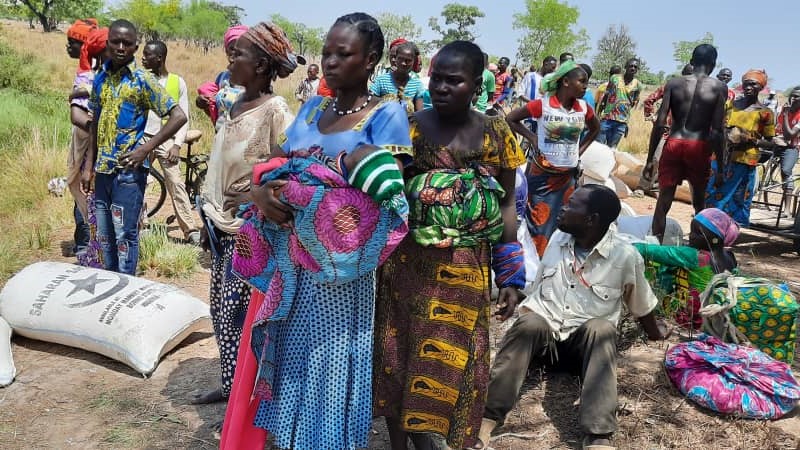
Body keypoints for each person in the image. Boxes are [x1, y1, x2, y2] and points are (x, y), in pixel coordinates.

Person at [246, 13, 412, 449]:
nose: (331, 62)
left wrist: (315, 193)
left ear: (371, 59)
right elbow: (275, 162)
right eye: (327, 53)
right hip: (291, 262)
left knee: (329, 357)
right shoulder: (313, 106)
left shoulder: (386, 112)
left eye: (344, 53)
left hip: (339, 269)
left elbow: (388, 192)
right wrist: (261, 194)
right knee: (291, 350)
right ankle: (292, 437)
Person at [373, 40, 526, 450]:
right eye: (436, 77)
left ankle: (434, 437)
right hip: (408, 264)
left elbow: (508, 201)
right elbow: (388, 191)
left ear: (477, 85)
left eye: (453, 81)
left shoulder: (496, 132)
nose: (440, 87)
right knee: (399, 354)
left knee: (454, 357)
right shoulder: (410, 127)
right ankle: (399, 443)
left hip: (466, 265)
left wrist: (510, 272)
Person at [476, 185, 668, 450]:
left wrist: (656, 332)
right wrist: (518, 297)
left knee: (601, 329)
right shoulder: (557, 239)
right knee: (530, 322)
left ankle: (598, 435)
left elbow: (642, 306)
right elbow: (540, 288)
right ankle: (487, 418)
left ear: (591, 220)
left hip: (584, 354)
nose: (563, 209)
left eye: (571, 205)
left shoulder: (625, 257)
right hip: (544, 347)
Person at [195, 22, 298, 408]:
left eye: (239, 54)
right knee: (220, 314)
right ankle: (230, 387)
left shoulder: (276, 111)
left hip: (251, 233)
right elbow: (218, 165)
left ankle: (250, 401)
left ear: (259, 66)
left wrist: (259, 199)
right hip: (220, 225)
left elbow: (291, 168)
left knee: (241, 319)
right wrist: (207, 213)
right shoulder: (233, 105)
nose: (231, 59)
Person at [82, 19, 187, 275]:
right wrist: (88, 166)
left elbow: (178, 116)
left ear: (135, 47)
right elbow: (95, 122)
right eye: (115, 42)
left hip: (128, 174)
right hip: (103, 172)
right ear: (107, 44)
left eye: (127, 44)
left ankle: (125, 286)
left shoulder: (143, 80)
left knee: (125, 237)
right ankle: (109, 285)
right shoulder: (101, 79)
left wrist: (145, 148)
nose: (120, 47)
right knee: (104, 236)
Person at [505, 60, 600, 257]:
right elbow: (511, 118)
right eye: (582, 81)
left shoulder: (584, 108)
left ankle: (556, 263)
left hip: (568, 178)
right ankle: (533, 264)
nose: (585, 86)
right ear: (566, 81)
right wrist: (532, 138)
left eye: (587, 82)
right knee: (537, 222)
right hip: (542, 177)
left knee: (563, 221)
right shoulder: (543, 105)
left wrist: (578, 152)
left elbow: (595, 129)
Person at [647, 46, 727, 242]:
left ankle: (654, 248)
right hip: (698, 145)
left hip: (674, 143)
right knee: (699, 202)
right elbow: (717, 131)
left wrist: (650, 160)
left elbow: (659, 123)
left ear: (691, 60)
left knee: (663, 200)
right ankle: (697, 248)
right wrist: (722, 167)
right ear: (714, 64)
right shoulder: (718, 87)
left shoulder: (674, 83)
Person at [634, 208, 739, 330]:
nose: (691, 236)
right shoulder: (730, 256)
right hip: (717, 309)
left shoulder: (695, 256)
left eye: (698, 233)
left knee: (656, 265)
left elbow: (650, 251)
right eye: (691, 231)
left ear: (715, 239)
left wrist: (626, 244)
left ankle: (646, 306)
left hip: (693, 313)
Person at [140, 40, 200, 244]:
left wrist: (177, 145)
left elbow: (183, 116)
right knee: (137, 180)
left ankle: (190, 230)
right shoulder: (141, 80)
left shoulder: (177, 82)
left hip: (167, 139)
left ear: (160, 58)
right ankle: (142, 223)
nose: (142, 58)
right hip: (143, 137)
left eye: (147, 55)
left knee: (175, 183)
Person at [706, 69, 776, 226]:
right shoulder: (731, 105)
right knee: (713, 192)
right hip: (721, 158)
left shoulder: (765, 113)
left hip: (744, 161)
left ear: (761, 88)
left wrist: (751, 140)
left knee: (736, 198)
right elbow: (719, 128)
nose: (749, 87)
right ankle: (709, 228)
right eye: (746, 84)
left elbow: (770, 142)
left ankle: (727, 231)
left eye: (754, 84)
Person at [69, 27, 108, 269]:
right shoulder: (87, 79)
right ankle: (90, 260)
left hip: (119, 159)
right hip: (92, 159)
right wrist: (100, 125)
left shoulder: (128, 80)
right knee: (92, 209)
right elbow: (76, 115)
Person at [65, 18, 99, 257]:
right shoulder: (88, 74)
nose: (69, 47)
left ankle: (86, 246)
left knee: (86, 194)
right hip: (89, 142)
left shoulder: (89, 76)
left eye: (73, 43)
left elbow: (79, 117)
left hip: (92, 149)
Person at [639, 63, 695, 195]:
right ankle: (642, 186)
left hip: (681, 133)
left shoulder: (696, 92)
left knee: (669, 161)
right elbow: (649, 100)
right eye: (687, 75)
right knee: (655, 158)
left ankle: (656, 187)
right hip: (664, 129)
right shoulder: (670, 86)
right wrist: (651, 117)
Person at [196, 25, 247, 132]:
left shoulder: (258, 78)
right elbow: (216, 111)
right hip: (222, 138)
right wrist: (204, 104)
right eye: (231, 48)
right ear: (226, 51)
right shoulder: (222, 78)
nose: (235, 52)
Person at [596, 58, 641, 148]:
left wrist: (624, 113)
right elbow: (606, 95)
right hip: (607, 118)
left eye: (635, 67)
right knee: (599, 147)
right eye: (631, 66)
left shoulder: (637, 85)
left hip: (621, 122)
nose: (632, 68)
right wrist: (598, 114)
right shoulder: (615, 78)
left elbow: (633, 102)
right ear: (625, 67)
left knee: (612, 149)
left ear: (637, 69)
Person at [370, 40, 424, 112]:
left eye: (408, 60)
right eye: (400, 59)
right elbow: (371, 108)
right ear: (395, 59)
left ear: (413, 62)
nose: (403, 63)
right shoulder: (381, 81)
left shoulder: (417, 85)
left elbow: (419, 114)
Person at [773, 86, 800, 213]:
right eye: (792, 96)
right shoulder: (783, 109)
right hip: (777, 143)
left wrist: (785, 115)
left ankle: (787, 209)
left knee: (786, 170)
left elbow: (789, 135)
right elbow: (776, 128)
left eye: (797, 97)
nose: (793, 98)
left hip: (791, 147)